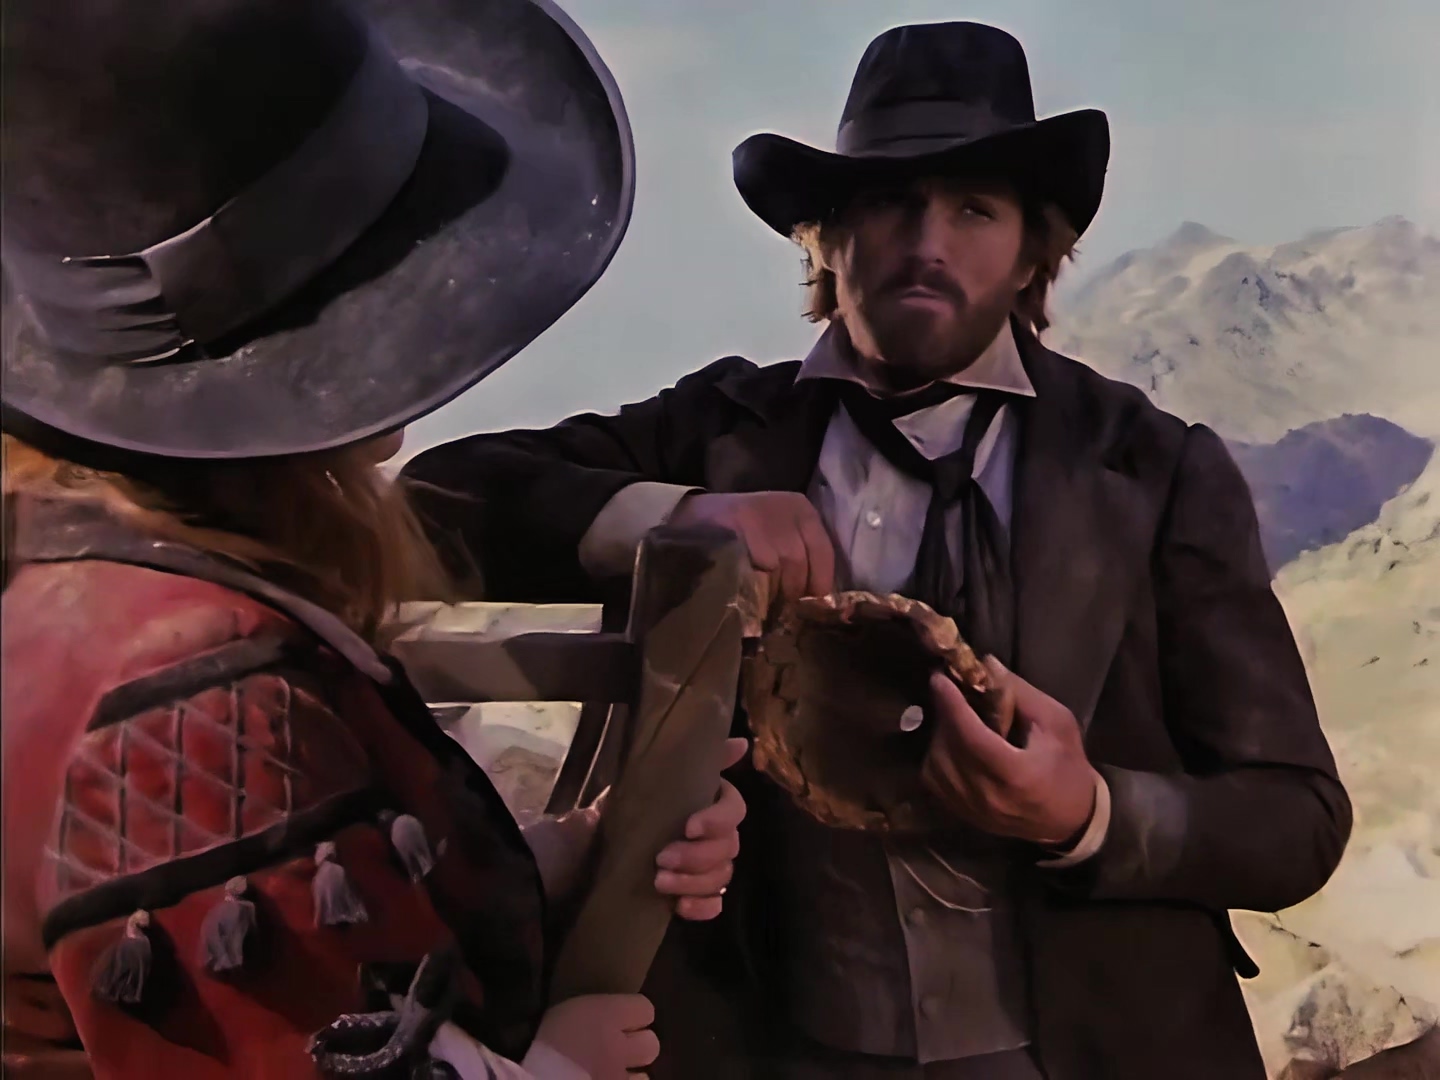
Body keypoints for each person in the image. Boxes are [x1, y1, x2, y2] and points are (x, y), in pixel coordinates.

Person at [400, 21, 1354, 1080]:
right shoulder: (722, 434)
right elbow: (435, 502)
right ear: (824, 236)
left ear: (1034, 251)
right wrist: (679, 514)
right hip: (777, 1052)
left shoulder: (1151, 469)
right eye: (890, 201)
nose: (927, 242)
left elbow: (1297, 820)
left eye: (974, 209)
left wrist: (1087, 812)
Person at [0, 0, 747, 1077]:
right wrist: (556, 1068)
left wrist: (571, 855)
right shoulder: (200, 684)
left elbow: (303, 925)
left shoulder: (75, 583)